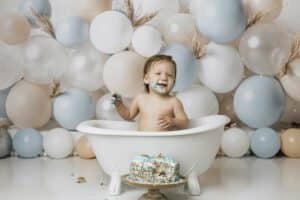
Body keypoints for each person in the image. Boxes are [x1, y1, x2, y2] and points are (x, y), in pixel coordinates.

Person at [112, 54, 188, 131]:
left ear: (174, 82)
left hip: (164, 142)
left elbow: (184, 122)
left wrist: (174, 121)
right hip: (143, 141)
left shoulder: (173, 102)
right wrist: (119, 105)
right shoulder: (141, 98)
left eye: (169, 75)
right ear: (146, 79)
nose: (164, 77)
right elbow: (128, 115)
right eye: (158, 73)